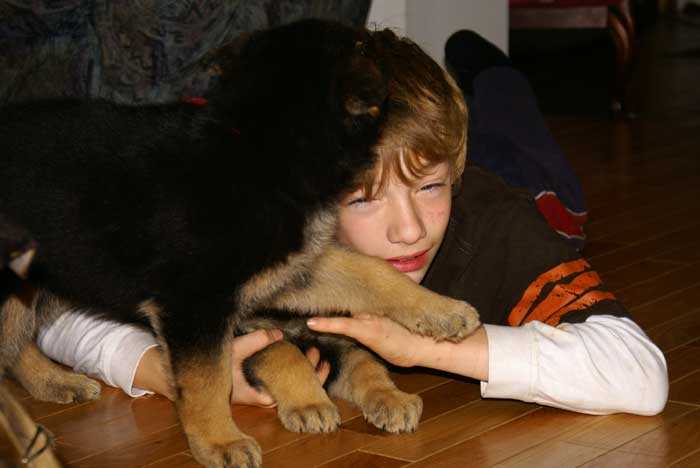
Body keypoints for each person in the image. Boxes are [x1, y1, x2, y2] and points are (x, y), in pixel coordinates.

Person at [36, 27, 668, 415]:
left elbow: (642, 377)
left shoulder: (491, 227)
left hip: (509, 170)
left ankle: (489, 67)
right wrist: (160, 369)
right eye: (362, 200)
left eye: (428, 190)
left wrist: (429, 345)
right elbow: (58, 303)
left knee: (535, 156)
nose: (409, 231)